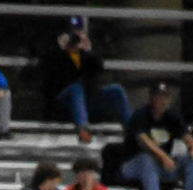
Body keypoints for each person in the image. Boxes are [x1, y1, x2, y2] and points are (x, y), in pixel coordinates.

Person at [40, 16, 133, 145]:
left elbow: (99, 68)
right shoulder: (56, 53)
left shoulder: (86, 55)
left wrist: (88, 51)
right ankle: (83, 130)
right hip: (65, 102)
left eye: (78, 32)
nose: (75, 38)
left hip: (87, 100)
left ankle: (133, 130)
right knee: (76, 87)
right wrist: (63, 51)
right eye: (73, 33)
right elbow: (47, 73)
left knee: (117, 89)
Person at [120, 83, 193, 190]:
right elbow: (144, 141)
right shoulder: (140, 115)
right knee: (146, 159)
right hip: (133, 165)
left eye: (165, 97)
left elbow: (189, 138)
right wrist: (164, 157)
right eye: (159, 97)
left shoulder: (172, 117)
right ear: (151, 98)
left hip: (162, 166)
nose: (162, 101)